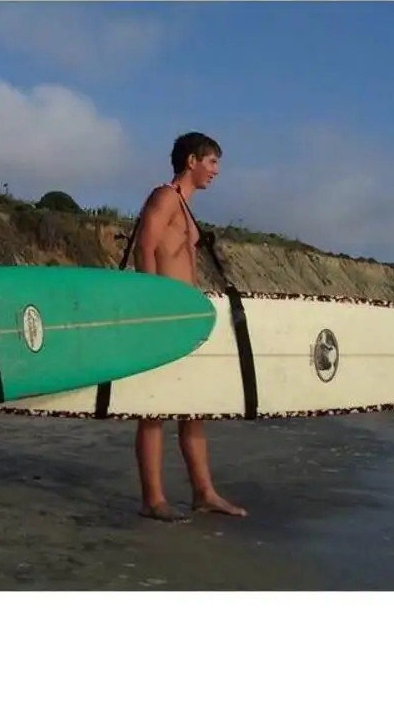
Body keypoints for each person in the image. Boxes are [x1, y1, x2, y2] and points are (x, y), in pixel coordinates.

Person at [131, 131, 248, 523]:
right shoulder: (164, 197)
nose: (216, 170)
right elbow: (144, 247)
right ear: (192, 161)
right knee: (154, 409)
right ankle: (153, 499)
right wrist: (152, 304)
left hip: (185, 316)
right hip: (162, 315)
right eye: (212, 161)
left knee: (194, 406)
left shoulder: (186, 207)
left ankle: (204, 493)